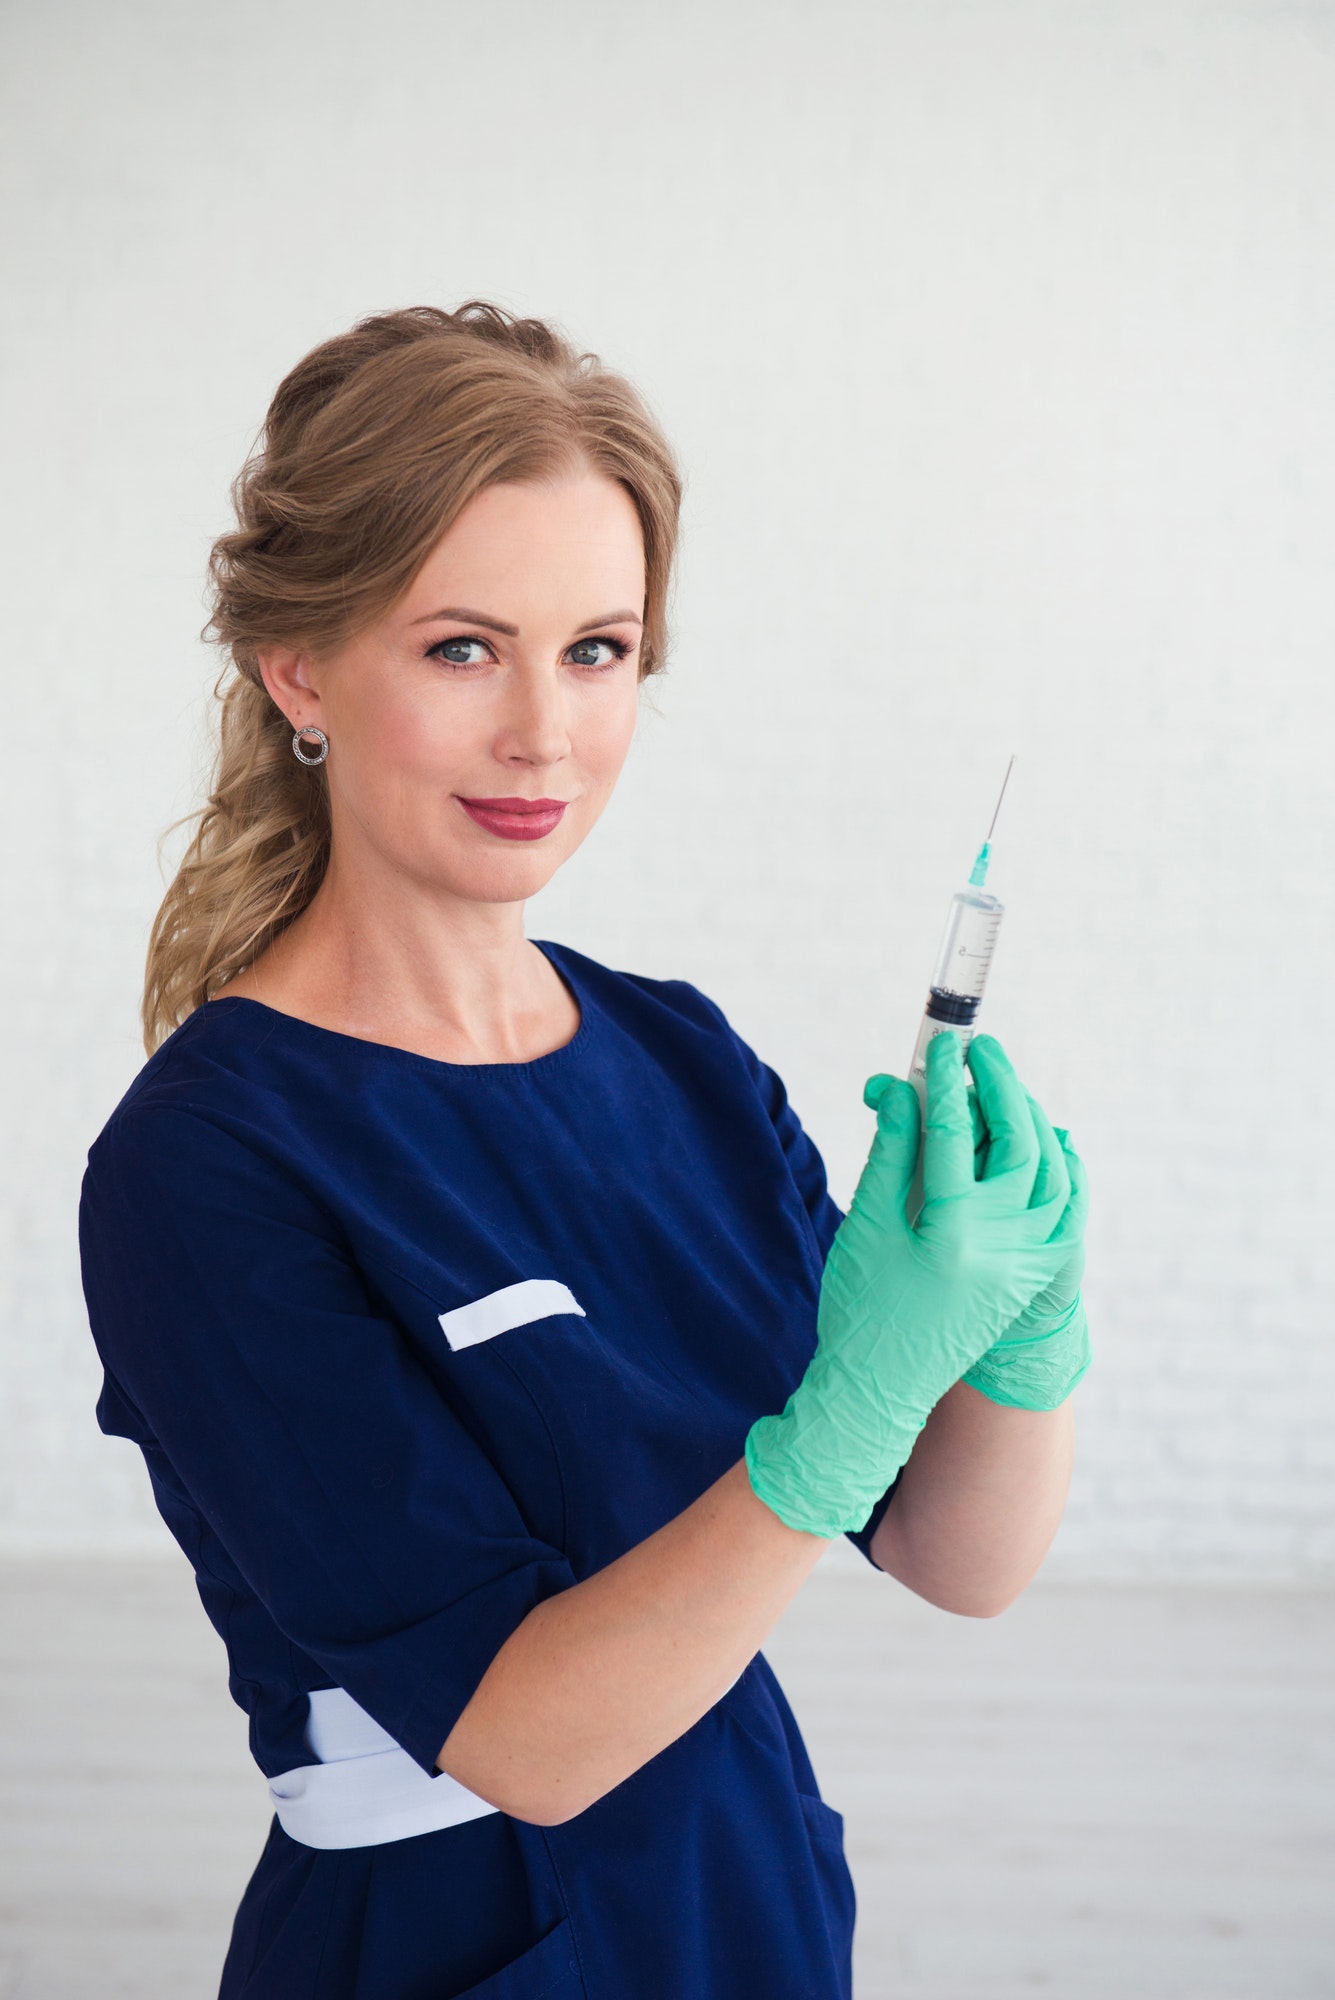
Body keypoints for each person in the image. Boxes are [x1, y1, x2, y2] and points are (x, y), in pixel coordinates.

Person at [79, 303, 1091, 2000]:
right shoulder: (207, 1167)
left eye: (599, 650)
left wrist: (1023, 1331)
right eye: (463, 648)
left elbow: (954, 1558)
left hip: (744, 1887)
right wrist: (840, 1420)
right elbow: (521, 1742)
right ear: (301, 668)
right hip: (464, 1936)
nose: (544, 732)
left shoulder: (680, 1059)